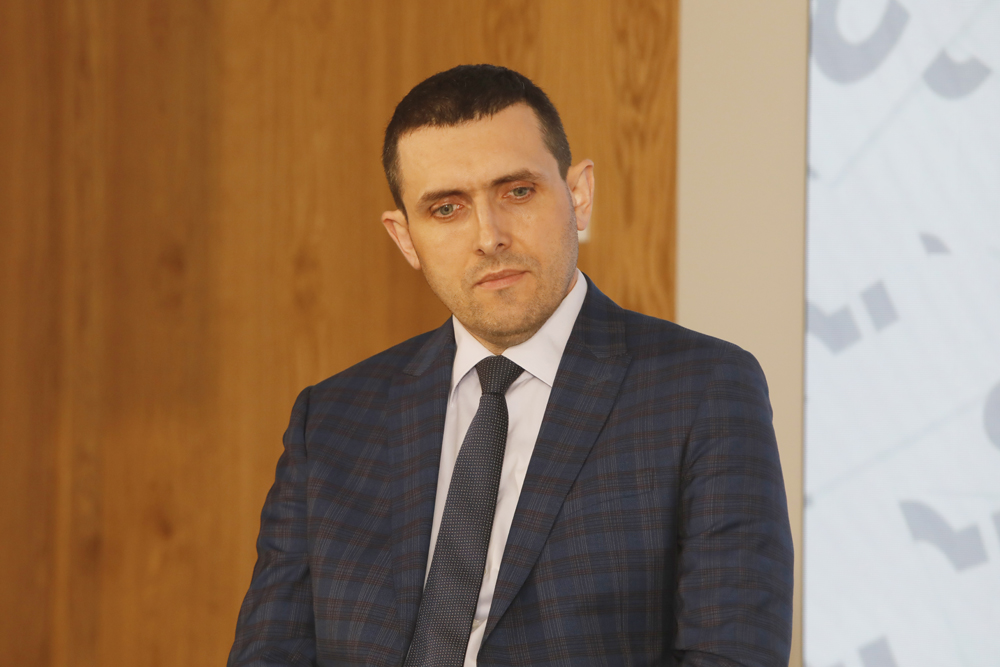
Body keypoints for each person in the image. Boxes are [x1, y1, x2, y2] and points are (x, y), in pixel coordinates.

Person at [229, 64, 793, 667]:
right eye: (447, 208)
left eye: (517, 192)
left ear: (578, 195)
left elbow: (731, 653)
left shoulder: (703, 390)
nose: (489, 236)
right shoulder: (330, 421)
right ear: (405, 238)